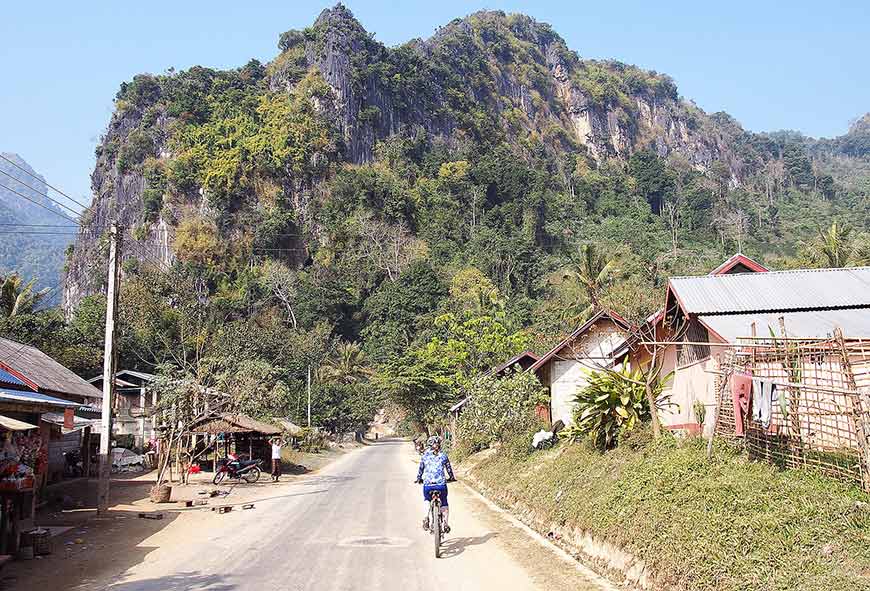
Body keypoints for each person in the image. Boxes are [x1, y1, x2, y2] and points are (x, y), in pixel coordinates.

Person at [415, 435, 455, 533]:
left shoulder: (424, 456)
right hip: (441, 485)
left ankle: (426, 517)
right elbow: (449, 469)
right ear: (439, 445)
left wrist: (419, 479)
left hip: (428, 485)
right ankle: (445, 523)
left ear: (428, 445)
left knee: (427, 500)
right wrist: (452, 478)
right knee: (444, 501)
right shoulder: (443, 456)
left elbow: (421, 469)